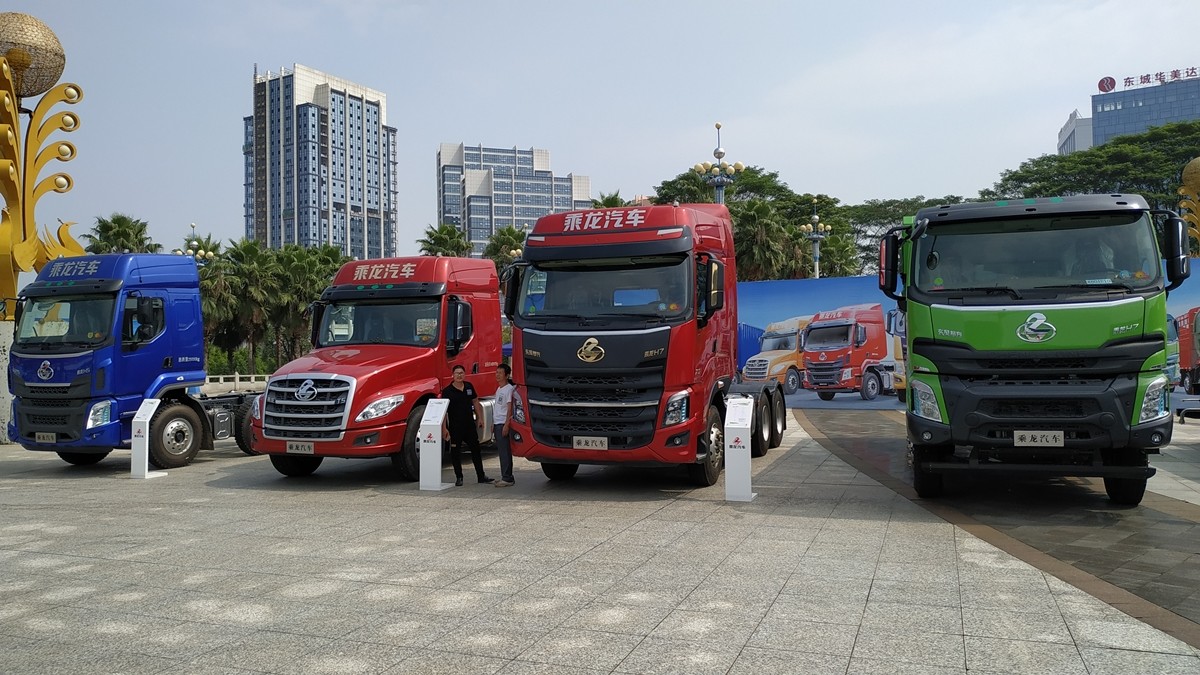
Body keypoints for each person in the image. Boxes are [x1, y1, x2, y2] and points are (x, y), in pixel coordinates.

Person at [441, 364, 493, 486]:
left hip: (469, 425)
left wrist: (480, 418)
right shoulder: (447, 391)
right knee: (455, 452)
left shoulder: (469, 386)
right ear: (452, 375)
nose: (459, 375)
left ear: (464, 374)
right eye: (457, 373)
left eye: (461, 373)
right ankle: (459, 477)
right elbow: (443, 411)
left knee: (476, 450)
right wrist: (444, 428)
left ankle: (481, 476)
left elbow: (475, 401)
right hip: (455, 427)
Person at [492, 364, 516, 487]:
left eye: (500, 373)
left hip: (503, 423)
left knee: (505, 451)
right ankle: (505, 476)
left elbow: (509, 408)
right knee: (501, 451)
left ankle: (507, 478)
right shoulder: (499, 389)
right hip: (497, 422)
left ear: (507, 375)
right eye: (497, 372)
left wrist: (507, 424)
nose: (497, 375)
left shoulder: (509, 389)